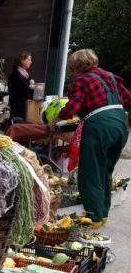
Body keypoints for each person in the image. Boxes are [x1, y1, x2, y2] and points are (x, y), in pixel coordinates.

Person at [50, 49, 131, 227]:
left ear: (77, 66)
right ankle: (102, 214)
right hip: (120, 125)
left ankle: (93, 217)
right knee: (105, 171)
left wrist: (55, 120)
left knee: (90, 171)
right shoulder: (110, 77)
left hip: (99, 127)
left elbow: (72, 107)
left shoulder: (83, 79)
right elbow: (128, 99)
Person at [8, 51, 35, 122]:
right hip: (18, 108)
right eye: (29, 59)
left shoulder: (26, 74)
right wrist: (32, 87)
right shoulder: (16, 75)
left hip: (24, 107)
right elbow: (26, 89)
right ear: (22, 60)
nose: (31, 62)